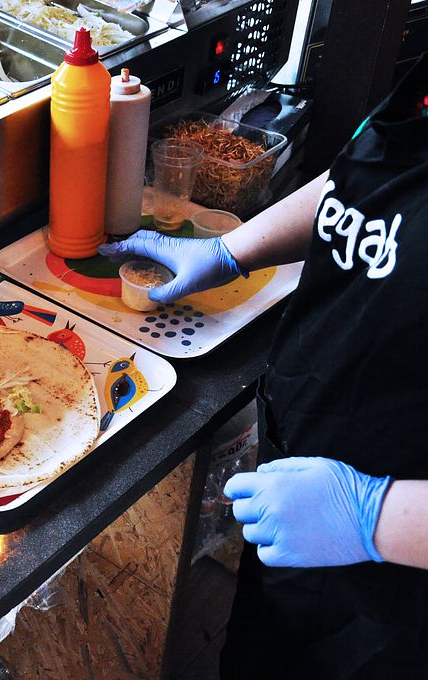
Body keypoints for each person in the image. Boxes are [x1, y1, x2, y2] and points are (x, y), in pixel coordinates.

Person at [99, 53, 428, 678]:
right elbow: (363, 187)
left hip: (399, 581)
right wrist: (229, 250)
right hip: (309, 494)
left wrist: (377, 516)